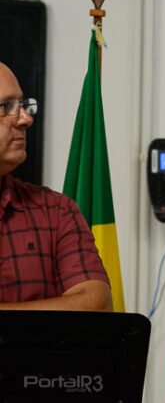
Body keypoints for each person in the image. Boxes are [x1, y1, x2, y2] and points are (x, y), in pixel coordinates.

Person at [0, 62, 111, 311]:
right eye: (6, 107)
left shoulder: (55, 211)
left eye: (23, 104)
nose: (26, 119)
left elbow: (96, 305)